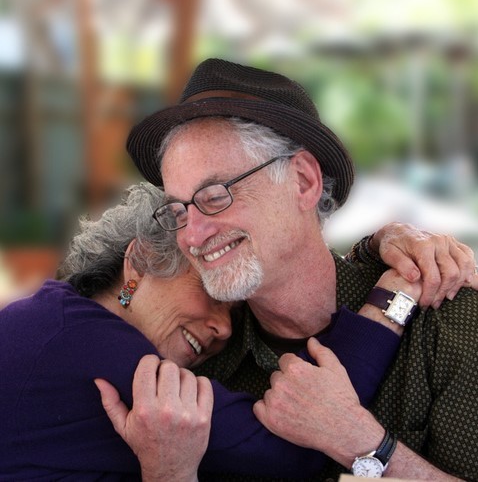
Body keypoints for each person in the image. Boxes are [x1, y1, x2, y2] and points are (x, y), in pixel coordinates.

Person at [111, 58, 478, 481]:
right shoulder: (195, 368)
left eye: (215, 195)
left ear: (303, 181)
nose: (192, 235)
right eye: (179, 210)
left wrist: (363, 444)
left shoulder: (451, 323)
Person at [0, 182, 434, 481]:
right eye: (211, 291)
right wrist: (396, 294)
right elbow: (292, 442)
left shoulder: (55, 321)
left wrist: (378, 242)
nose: (225, 328)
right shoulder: (87, 345)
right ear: (141, 261)